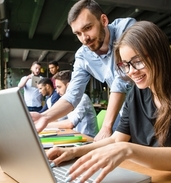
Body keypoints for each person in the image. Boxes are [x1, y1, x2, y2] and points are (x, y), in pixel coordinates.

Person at [46, 21, 171, 183]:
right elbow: (116, 139)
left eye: (138, 62)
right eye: (125, 65)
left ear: (159, 54)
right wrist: (75, 152)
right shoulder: (137, 93)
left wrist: (127, 149)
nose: (131, 72)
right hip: (148, 175)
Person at [30, 0, 136, 141]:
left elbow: (121, 78)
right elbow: (72, 95)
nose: (84, 38)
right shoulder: (83, 55)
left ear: (103, 20)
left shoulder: (126, 29)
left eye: (88, 28)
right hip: (127, 115)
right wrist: (45, 116)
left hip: (155, 108)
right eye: (78, 33)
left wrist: (106, 126)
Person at [47, 70, 98, 137]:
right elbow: (59, 119)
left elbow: (70, 124)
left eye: (59, 87)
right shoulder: (66, 100)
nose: (57, 91)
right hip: (77, 137)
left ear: (69, 86)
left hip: (88, 139)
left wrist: (45, 125)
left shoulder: (82, 98)